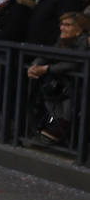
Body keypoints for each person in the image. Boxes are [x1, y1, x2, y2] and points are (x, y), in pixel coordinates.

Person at [25, 12, 90, 144]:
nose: (62, 28)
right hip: (61, 84)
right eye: (62, 24)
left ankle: (63, 130)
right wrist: (35, 65)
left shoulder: (84, 41)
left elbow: (74, 62)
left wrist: (47, 69)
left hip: (77, 86)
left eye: (67, 25)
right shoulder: (63, 39)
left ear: (80, 28)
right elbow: (48, 54)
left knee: (68, 104)